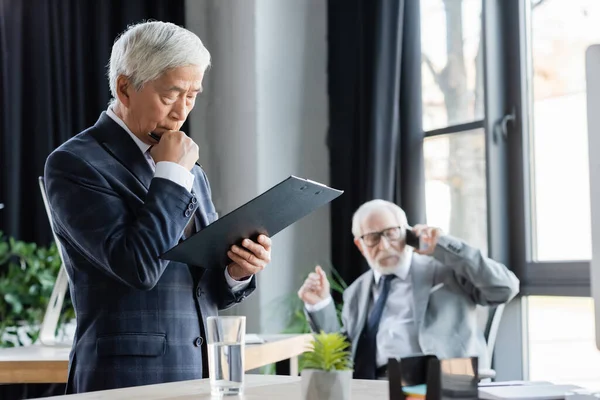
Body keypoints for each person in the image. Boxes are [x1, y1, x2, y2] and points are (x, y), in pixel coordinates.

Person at [44, 21, 271, 393]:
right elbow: (139, 268)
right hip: (123, 381)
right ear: (125, 88)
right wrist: (169, 174)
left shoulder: (188, 168)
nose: (182, 111)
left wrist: (235, 270)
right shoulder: (74, 163)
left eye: (193, 95)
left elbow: (204, 288)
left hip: (202, 374)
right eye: (171, 94)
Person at [298, 199, 519, 379]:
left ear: (408, 233)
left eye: (391, 233)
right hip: (374, 386)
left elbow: (504, 288)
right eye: (373, 238)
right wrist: (319, 304)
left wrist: (444, 246)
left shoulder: (446, 271)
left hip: (440, 382)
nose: (384, 246)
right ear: (360, 245)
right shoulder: (356, 292)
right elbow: (341, 355)